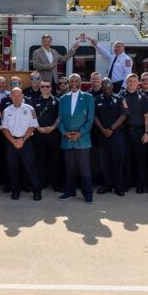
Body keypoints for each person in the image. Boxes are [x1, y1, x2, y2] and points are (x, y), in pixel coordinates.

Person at [58, 74, 95, 204]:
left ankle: (88, 194)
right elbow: (60, 120)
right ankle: (70, 191)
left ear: (81, 83)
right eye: (72, 81)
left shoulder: (88, 97)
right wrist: (65, 133)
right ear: (69, 83)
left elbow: (90, 120)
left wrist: (80, 133)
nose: (74, 83)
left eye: (76, 81)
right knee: (69, 168)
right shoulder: (63, 99)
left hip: (83, 140)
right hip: (67, 140)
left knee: (85, 169)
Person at [1, 88, 42, 201]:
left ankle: (36, 191)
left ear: (22, 96)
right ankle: (15, 191)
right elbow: (4, 128)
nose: (16, 98)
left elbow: (32, 125)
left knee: (30, 167)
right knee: (12, 168)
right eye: (14, 96)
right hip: (11, 142)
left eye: (18, 96)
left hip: (26, 141)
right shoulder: (6, 110)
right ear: (11, 97)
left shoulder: (30, 109)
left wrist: (23, 139)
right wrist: (14, 141)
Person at [94, 78, 129, 196]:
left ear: (112, 87)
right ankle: (106, 185)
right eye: (104, 85)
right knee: (104, 162)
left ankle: (119, 187)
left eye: (108, 85)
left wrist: (111, 129)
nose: (106, 87)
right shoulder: (97, 100)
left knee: (118, 161)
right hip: (102, 135)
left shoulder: (120, 99)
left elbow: (123, 116)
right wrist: (103, 130)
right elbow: (94, 117)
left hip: (117, 135)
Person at [120, 73, 148, 193]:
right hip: (125, 133)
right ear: (126, 82)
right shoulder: (121, 96)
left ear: (138, 83)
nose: (132, 83)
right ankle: (127, 183)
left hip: (139, 132)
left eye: (134, 81)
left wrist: (147, 132)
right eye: (130, 81)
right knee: (127, 160)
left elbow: (147, 116)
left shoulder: (143, 97)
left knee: (140, 160)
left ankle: (140, 185)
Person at [31, 80, 63, 191]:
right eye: (42, 86)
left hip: (53, 134)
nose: (45, 88)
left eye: (47, 86)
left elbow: (60, 117)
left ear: (51, 88)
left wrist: (53, 127)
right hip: (38, 134)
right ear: (40, 88)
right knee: (40, 159)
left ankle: (56, 183)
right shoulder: (33, 101)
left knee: (55, 159)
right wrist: (38, 128)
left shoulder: (57, 101)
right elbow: (32, 117)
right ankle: (42, 182)